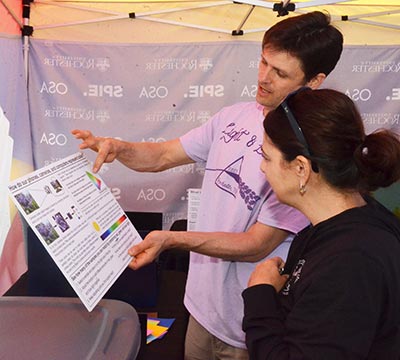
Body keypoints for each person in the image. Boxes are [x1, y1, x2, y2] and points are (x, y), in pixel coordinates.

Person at [72, 11, 343, 359]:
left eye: (280, 73)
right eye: (262, 62)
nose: (263, 78)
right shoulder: (233, 115)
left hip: (250, 328)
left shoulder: (304, 155)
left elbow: (257, 245)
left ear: (314, 80)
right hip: (200, 310)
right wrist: (119, 148)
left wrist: (171, 239)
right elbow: (162, 156)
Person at [242, 87, 400, 359]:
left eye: (267, 157)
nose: (262, 167)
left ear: (301, 169)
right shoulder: (334, 226)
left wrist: (260, 295)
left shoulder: (352, 263)